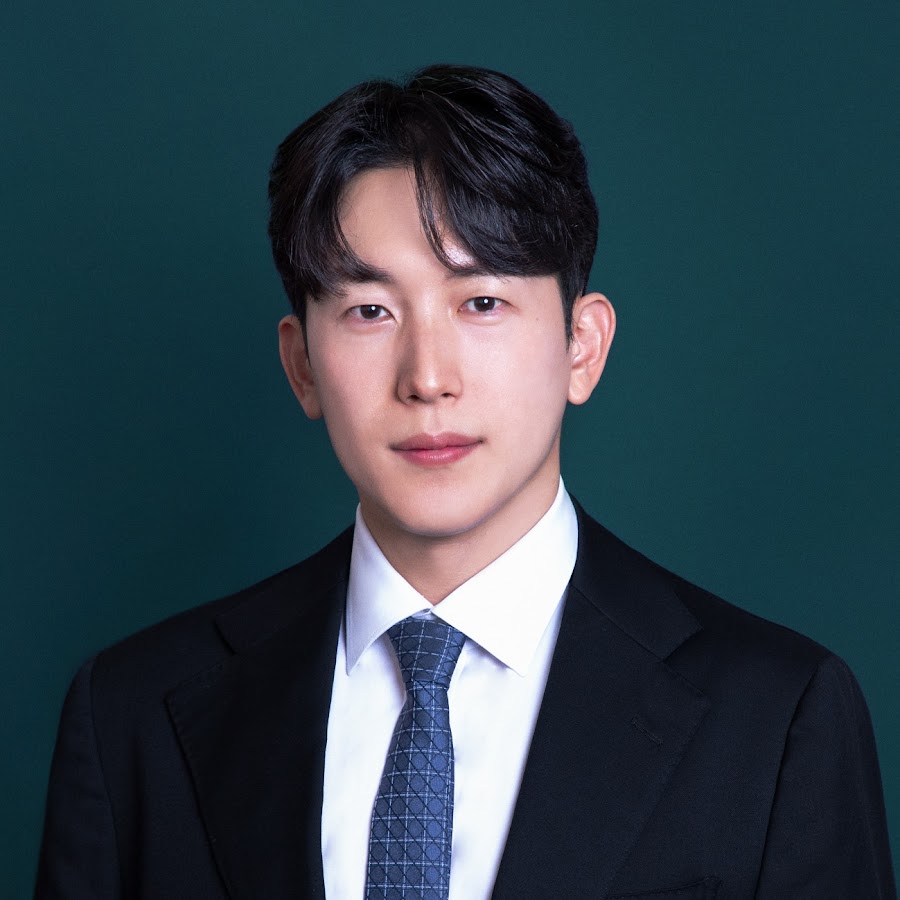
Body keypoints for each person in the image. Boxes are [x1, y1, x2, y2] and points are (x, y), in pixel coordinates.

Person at [35, 64, 894, 900]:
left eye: (481, 302)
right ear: (301, 365)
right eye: (370, 311)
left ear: (582, 347)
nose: (427, 377)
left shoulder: (780, 717)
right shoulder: (129, 715)